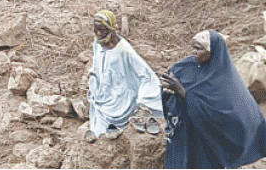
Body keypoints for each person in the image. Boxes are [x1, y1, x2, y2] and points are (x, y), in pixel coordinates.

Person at [160, 31, 266, 168]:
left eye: (199, 48)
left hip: (206, 140)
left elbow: (222, 114)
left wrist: (182, 91)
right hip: (184, 132)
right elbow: (169, 84)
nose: (193, 52)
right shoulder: (185, 66)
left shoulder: (223, 79)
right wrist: (166, 88)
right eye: (192, 47)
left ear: (213, 52)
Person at [86, 10, 163, 142]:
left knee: (118, 112)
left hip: (122, 96)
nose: (99, 33)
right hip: (104, 93)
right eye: (96, 30)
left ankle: (118, 124)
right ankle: (101, 128)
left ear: (111, 28)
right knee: (98, 113)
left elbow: (145, 74)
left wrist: (143, 100)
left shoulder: (124, 49)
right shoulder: (97, 43)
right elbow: (97, 62)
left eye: (103, 30)